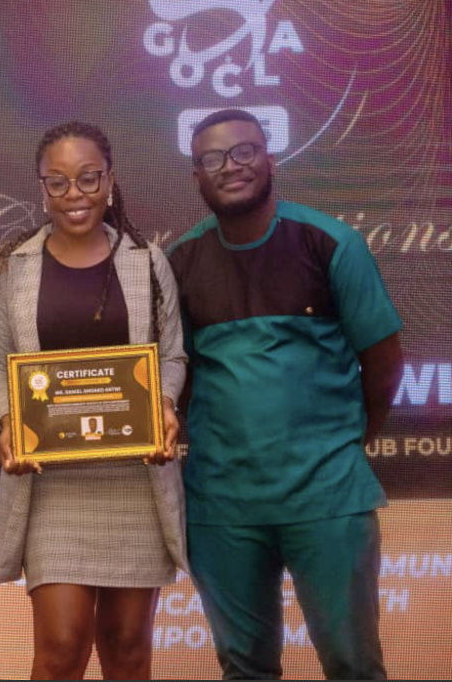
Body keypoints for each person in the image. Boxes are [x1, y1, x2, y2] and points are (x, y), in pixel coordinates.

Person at [167, 108, 404, 680]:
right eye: (212, 158)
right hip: (222, 506)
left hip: (327, 496)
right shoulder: (180, 262)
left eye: (244, 151)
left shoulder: (331, 243)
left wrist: (348, 443)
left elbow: (383, 362)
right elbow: (178, 374)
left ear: (270, 159)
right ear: (196, 176)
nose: (231, 166)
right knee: (244, 668)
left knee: (352, 664)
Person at [0, 121, 188, 680]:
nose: (75, 194)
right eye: (59, 182)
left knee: (128, 651)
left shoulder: (147, 262)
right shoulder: (13, 268)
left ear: (110, 181)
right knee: (60, 648)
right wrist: (8, 419)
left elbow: (172, 354)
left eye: (88, 178)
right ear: (42, 188)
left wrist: (165, 404)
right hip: (52, 484)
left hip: (134, 479)